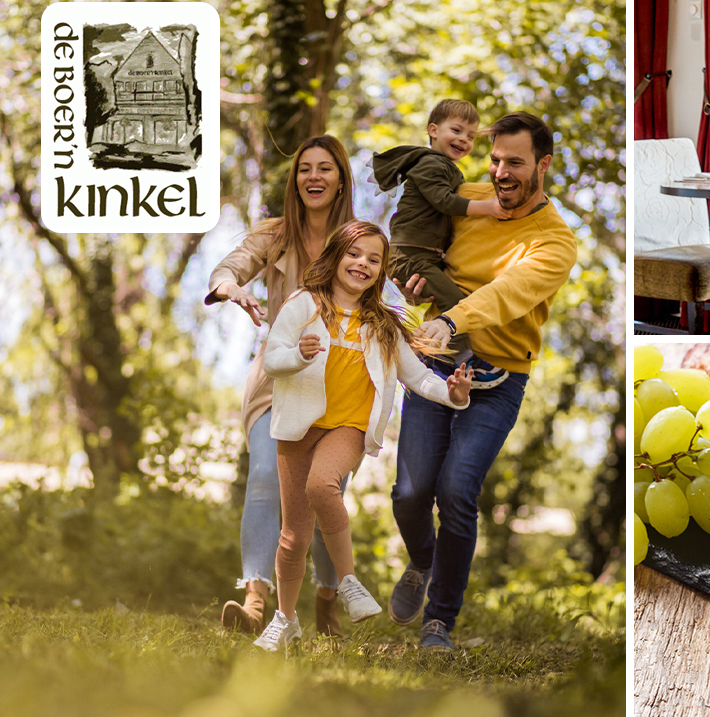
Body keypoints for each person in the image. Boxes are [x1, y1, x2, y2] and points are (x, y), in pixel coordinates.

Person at [387, 112, 578, 650]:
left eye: (515, 162)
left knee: (456, 490)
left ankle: (439, 621)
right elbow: (413, 237)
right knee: (409, 493)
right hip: (435, 362)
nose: (500, 173)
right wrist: (411, 278)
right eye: (495, 160)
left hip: (500, 376)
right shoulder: (466, 199)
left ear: (543, 164)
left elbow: (507, 293)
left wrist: (452, 319)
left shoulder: (555, 241)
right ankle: (423, 561)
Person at [253, 221, 472, 651]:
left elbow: (417, 377)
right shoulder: (304, 305)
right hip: (299, 426)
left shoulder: (383, 325)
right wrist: (298, 355)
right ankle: (285, 619)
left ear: (381, 271)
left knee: (322, 485)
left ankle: (349, 582)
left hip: (349, 427)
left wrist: (452, 394)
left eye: (374, 259)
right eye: (354, 254)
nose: (362, 264)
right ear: (336, 256)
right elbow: (273, 359)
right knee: (293, 537)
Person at [205, 135, 356, 638]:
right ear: (295, 181)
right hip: (279, 376)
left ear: (341, 180)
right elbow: (229, 266)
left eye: (324, 168)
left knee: (324, 492)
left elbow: (391, 297)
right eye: (304, 169)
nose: (313, 177)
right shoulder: (274, 235)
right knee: (266, 477)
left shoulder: (358, 241)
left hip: (340, 385)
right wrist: (230, 285)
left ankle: (327, 599)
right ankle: (255, 603)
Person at [368, 99, 512, 388]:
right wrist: (488, 207)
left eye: (471, 136)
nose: (464, 140)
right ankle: (466, 362)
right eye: (456, 131)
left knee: (452, 299)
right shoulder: (431, 163)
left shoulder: (445, 167)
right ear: (433, 130)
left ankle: (431, 356)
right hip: (409, 256)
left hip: (422, 256)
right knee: (456, 303)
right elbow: (444, 201)